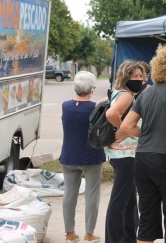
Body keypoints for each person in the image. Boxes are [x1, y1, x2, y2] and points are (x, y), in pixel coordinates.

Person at [119, 45, 166, 243]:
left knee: (147, 219)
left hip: (143, 158)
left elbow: (127, 126)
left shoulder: (146, 93)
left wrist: (146, 133)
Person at [60, 71, 105, 243]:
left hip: (69, 156)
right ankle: (89, 233)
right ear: (92, 89)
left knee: (69, 194)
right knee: (92, 196)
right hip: (92, 157)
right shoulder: (95, 109)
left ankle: (69, 233)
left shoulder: (66, 106)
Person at [104, 60, 145, 243]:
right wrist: (124, 129)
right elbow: (111, 114)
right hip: (125, 154)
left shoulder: (120, 93)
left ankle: (129, 238)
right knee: (120, 200)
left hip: (125, 154)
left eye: (140, 76)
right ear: (125, 76)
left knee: (129, 201)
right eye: (134, 76)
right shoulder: (126, 96)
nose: (138, 79)